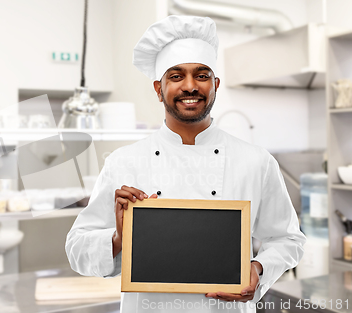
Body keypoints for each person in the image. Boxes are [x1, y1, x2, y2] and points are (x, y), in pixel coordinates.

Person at [65, 15, 306, 313]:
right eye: (176, 76)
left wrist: (258, 269)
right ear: (158, 88)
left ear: (216, 84)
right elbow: (76, 250)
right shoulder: (123, 162)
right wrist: (118, 238)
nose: (190, 86)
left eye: (202, 75)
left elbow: (288, 239)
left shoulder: (256, 162)